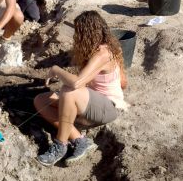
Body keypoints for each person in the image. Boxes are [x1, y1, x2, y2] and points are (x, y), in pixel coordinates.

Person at [33, 10, 127, 167]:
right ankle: (80, 140)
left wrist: (56, 70)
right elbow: (120, 82)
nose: (76, 37)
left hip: (108, 107)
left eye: (78, 32)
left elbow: (76, 84)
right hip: (93, 103)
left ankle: (60, 145)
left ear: (87, 33)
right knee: (41, 100)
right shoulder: (95, 51)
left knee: (69, 91)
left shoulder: (103, 53)